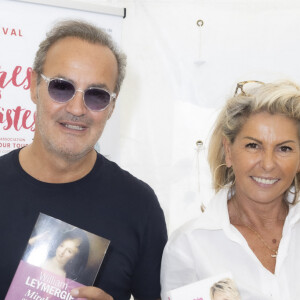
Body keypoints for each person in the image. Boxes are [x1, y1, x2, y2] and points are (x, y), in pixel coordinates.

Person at [1, 20, 167, 300]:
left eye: (97, 95)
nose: (77, 108)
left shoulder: (139, 206)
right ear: (33, 86)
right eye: (62, 87)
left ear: (112, 106)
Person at [160, 80, 300, 299]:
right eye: (253, 145)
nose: (268, 164)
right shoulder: (190, 245)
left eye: (284, 148)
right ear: (228, 152)